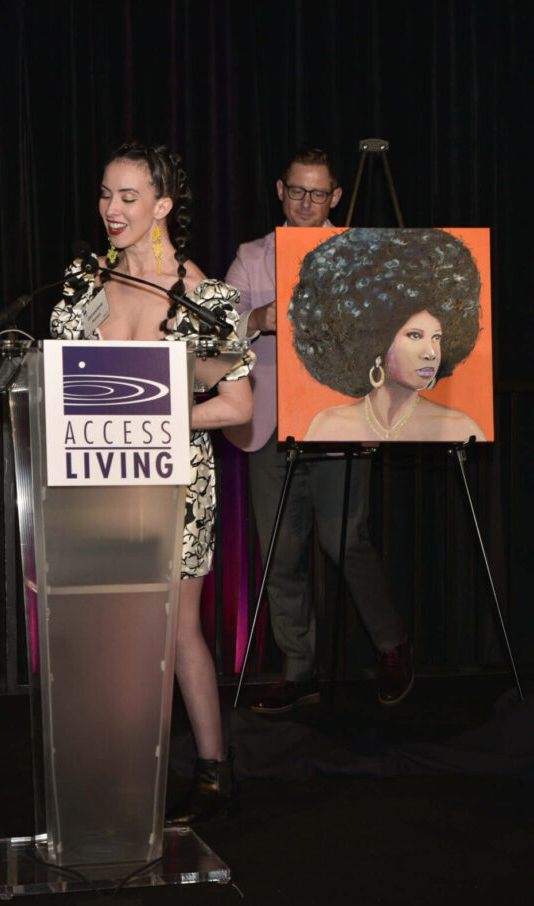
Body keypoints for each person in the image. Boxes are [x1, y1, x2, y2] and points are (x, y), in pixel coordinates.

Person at [50, 142, 253, 821]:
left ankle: (212, 769)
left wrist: (161, 414)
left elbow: (238, 408)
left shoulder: (204, 299)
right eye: (106, 194)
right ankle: (119, 766)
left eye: (128, 197)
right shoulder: (84, 288)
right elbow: (57, 387)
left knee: (172, 631)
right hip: (100, 480)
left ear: (162, 206)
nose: (111, 208)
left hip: (175, 483)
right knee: (112, 629)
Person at [222, 148, 413, 712]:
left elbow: (394, 332)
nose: (306, 203)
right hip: (267, 426)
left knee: (342, 539)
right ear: (280, 191)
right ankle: (298, 668)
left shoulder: (358, 254)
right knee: (280, 550)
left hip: (340, 419)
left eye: (318, 194)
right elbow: (220, 326)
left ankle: (392, 644)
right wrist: (258, 319)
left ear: (334, 197)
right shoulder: (252, 257)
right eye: (297, 192)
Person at [291, 228, 486, 442]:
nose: (430, 353)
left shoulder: (460, 430)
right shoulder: (328, 426)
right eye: (414, 335)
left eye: (436, 337)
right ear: (376, 342)